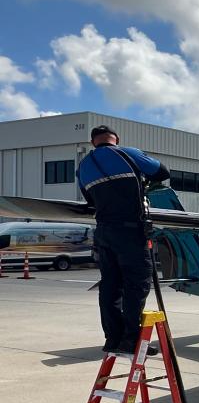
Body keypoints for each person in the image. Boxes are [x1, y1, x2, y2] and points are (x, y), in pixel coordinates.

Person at [77, 125, 170, 356]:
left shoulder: (84, 167)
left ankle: (112, 338)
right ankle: (131, 339)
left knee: (110, 285)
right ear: (115, 139)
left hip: (104, 232)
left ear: (93, 142)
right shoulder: (128, 153)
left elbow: (90, 200)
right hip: (130, 231)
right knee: (136, 283)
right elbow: (162, 172)